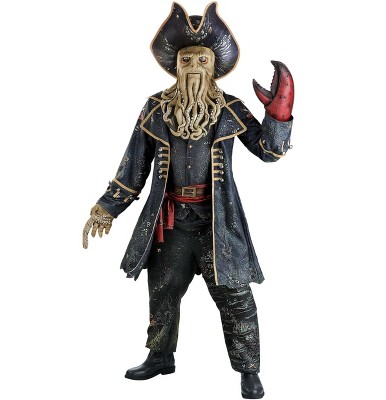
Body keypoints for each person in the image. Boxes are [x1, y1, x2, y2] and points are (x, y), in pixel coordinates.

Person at [83, 3, 294, 399]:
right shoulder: (155, 108)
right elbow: (134, 165)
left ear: (213, 66)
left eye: (202, 59)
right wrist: (107, 206)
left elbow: (268, 150)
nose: (194, 66)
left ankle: (249, 370)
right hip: (171, 219)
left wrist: (278, 115)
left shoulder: (230, 108)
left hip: (218, 222)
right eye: (186, 59)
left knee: (236, 296)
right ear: (176, 66)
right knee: (162, 289)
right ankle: (160, 356)